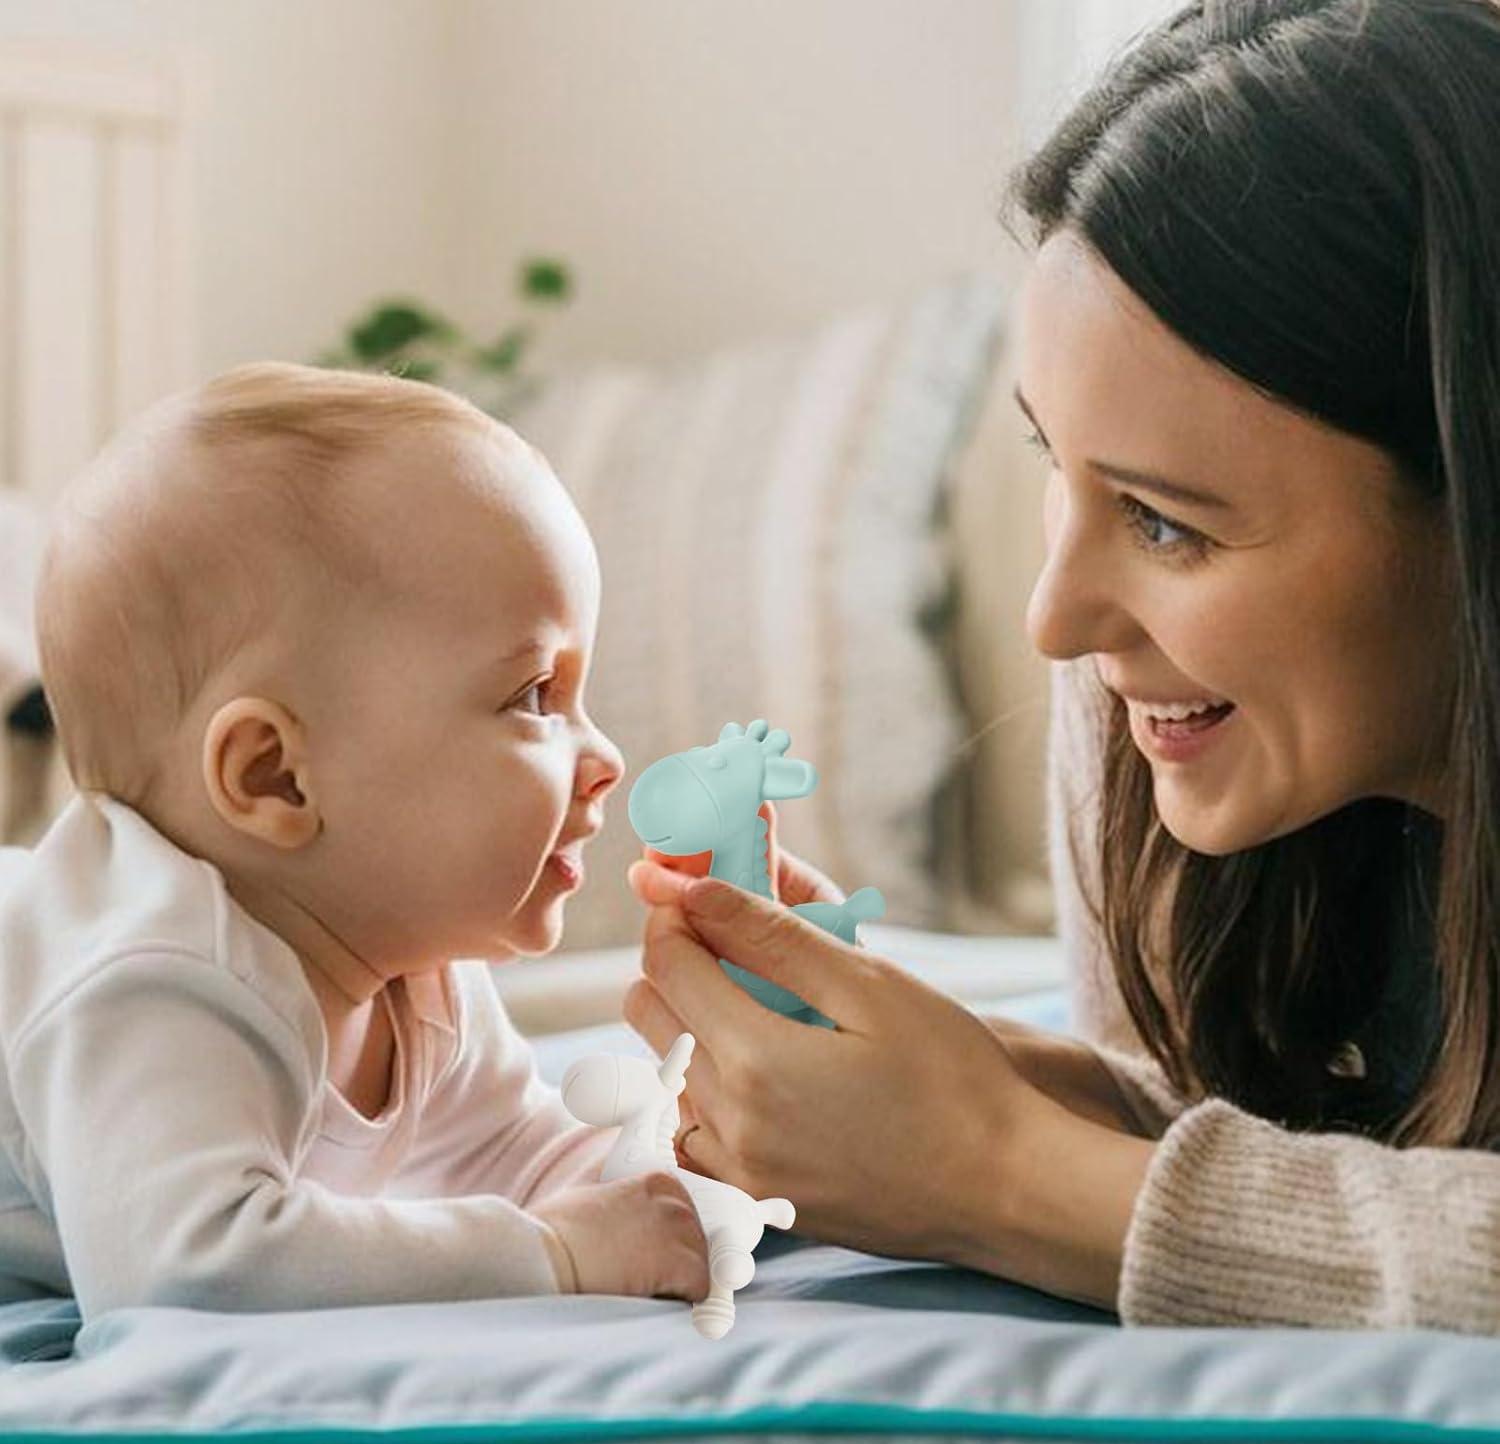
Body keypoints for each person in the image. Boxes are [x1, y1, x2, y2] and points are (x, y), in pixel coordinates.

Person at [624, 0, 1500, 1331]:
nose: (1057, 621)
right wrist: (965, 1086)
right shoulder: (1154, 717)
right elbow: (1222, 1098)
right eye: (1056, 463)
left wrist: (996, 1172)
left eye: (1164, 521)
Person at [0, 361, 710, 1320]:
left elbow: (524, 1157)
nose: (607, 759)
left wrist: (690, 1166)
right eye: (533, 696)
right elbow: (185, 1270)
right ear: (275, 778)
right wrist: (555, 1256)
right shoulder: (155, 978)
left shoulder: (410, 966)